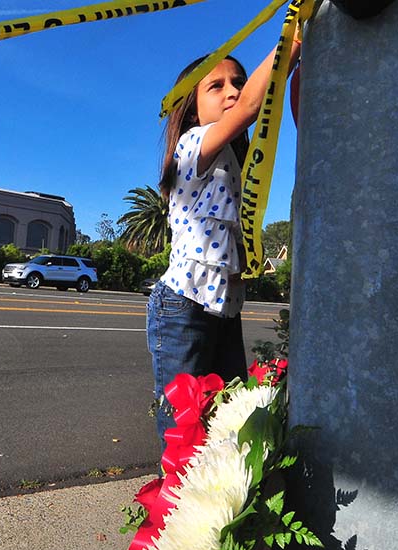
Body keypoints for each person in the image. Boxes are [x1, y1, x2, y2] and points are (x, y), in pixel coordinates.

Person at [147, 37, 302, 452]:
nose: (233, 91)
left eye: (238, 81)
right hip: (183, 305)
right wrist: (295, 37)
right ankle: (173, 511)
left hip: (224, 309)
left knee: (229, 421)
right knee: (183, 429)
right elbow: (252, 105)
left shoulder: (234, 161)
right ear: (192, 108)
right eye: (217, 86)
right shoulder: (192, 145)